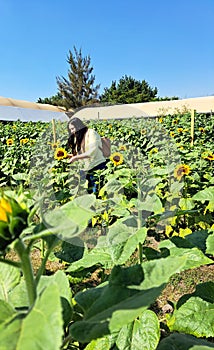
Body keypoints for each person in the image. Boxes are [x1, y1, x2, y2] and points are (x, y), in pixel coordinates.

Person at [67, 117, 107, 195]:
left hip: (97, 166)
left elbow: (92, 151)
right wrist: (71, 156)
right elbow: (81, 153)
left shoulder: (91, 133)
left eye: (73, 128)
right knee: (86, 192)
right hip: (85, 169)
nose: (72, 131)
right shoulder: (77, 137)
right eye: (70, 130)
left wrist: (76, 157)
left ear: (79, 126)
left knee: (96, 192)